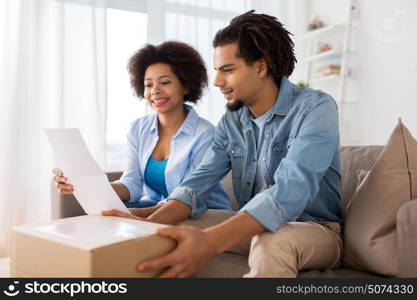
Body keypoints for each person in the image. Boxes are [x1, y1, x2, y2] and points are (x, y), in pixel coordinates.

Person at [103, 10, 343, 278]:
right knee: (177, 226)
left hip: (315, 229)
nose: (217, 82)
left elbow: (291, 188)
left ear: (261, 67)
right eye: (217, 71)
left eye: (227, 70)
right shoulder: (232, 121)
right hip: (251, 223)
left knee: (274, 240)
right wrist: (144, 224)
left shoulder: (316, 108)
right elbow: (195, 186)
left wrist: (210, 241)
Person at [53, 41, 231, 212]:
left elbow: (189, 196)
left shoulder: (204, 134)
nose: (155, 90)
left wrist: (136, 216)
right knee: (103, 219)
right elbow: (132, 184)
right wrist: (87, 186)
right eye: (148, 84)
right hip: (157, 208)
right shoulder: (138, 129)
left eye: (165, 82)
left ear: (185, 85)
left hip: (202, 212)